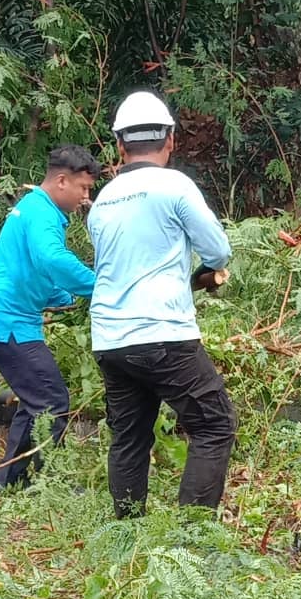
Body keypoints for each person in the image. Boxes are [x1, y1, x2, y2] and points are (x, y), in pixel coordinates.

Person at [87, 91, 236, 518]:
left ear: (119, 146)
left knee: (130, 437)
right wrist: (205, 271)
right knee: (214, 424)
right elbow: (218, 251)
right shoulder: (175, 185)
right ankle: (188, 538)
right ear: (170, 140)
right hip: (163, 335)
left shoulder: (103, 203)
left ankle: (128, 532)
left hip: (111, 339)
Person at [0, 146, 101, 491]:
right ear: (61, 180)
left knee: (39, 401)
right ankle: (39, 481)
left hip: (8, 320)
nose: (86, 197)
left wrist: (65, 297)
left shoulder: (33, 209)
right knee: (51, 400)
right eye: (83, 188)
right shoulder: (41, 212)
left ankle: (11, 482)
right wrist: (102, 286)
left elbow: (34, 269)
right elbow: (51, 259)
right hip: (7, 323)